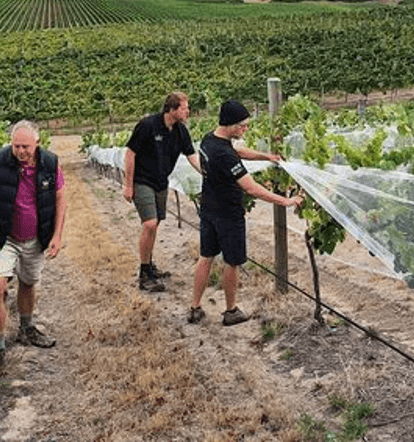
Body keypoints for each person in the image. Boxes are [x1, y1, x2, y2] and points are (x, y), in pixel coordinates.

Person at [189, 100, 302, 326]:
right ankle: (231, 311)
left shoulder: (209, 139)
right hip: (228, 214)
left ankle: (195, 308)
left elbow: (237, 151)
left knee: (206, 256)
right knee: (232, 262)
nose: (246, 129)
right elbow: (251, 187)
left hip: (208, 209)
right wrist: (285, 201)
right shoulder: (225, 155)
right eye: (243, 125)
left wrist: (266, 156)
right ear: (231, 124)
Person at [0, 120, 67, 364]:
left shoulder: (50, 163)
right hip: (4, 237)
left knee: (28, 283)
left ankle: (26, 328)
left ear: (37, 143)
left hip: (35, 237)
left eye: (25, 147)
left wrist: (57, 235)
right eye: (16, 146)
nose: (20, 151)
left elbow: (60, 198)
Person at [124, 91, 201, 292]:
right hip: (142, 180)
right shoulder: (148, 125)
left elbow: (192, 157)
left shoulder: (180, 131)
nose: (188, 112)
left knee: (155, 225)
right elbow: (130, 153)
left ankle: (149, 266)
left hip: (160, 182)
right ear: (172, 109)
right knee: (149, 224)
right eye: (184, 108)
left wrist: (208, 173)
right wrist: (128, 184)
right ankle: (143, 274)